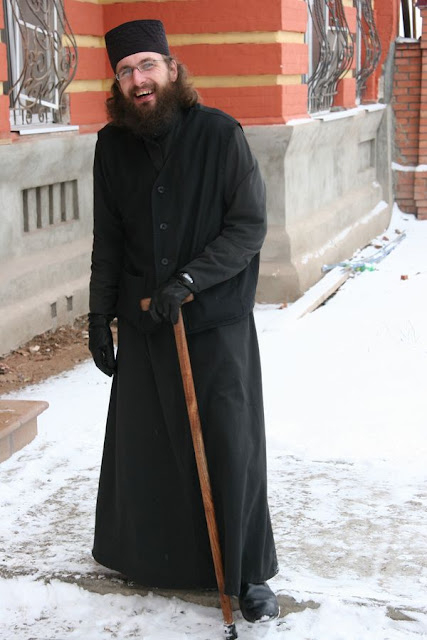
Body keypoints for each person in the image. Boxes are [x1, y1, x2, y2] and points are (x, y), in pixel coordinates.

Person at [88, 19, 279, 623]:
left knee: (229, 442)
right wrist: (98, 313)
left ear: (172, 69)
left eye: (147, 65)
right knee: (150, 443)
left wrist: (191, 281)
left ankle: (247, 572)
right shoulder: (111, 145)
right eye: (125, 71)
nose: (138, 79)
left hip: (213, 321)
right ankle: (161, 559)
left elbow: (247, 227)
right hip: (145, 321)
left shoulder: (220, 134)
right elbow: (108, 241)